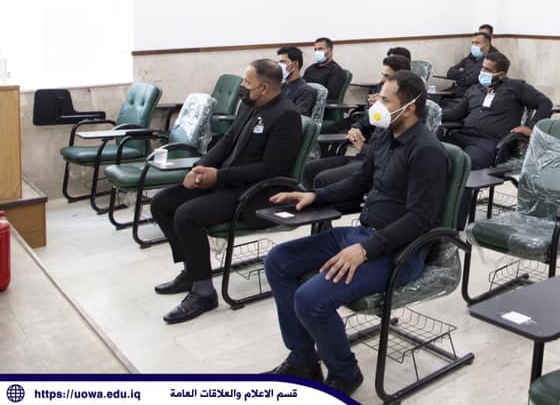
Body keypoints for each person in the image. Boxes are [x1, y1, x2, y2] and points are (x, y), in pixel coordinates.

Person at [262, 71, 447, 395]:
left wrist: (365, 250)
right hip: (362, 234)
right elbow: (358, 181)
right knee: (278, 260)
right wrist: (314, 195)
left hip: (397, 252)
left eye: (385, 100)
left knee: (310, 299)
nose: (376, 104)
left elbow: (420, 219)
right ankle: (303, 360)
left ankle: (345, 374)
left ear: (409, 108)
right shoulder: (384, 136)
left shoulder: (426, 151)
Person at [150, 59, 302, 324]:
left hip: (254, 192)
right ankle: (192, 271)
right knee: (162, 203)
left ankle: (204, 292)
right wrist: (200, 168)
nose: (242, 86)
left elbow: (270, 169)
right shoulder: (249, 104)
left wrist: (218, 176)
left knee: (187, 215)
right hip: (228, 181)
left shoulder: (286, 116)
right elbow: (227, 141)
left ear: (265, 88)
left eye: (247, 82)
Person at [300, 54, 411, 190]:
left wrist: (362, 146)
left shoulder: (404, 114)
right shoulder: (384, 103)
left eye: (387, 76)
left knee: (323, 179)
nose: (382, 80)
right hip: (362, 157)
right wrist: (356, 128)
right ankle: (310, 201)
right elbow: (365, 119)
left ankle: (321, 202)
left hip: (376, 164)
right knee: (309, 169)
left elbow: (390, 155)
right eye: (382, 75)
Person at [442, 51, 552, 170]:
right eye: (482, 67)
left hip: (487, 142)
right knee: (436, 156)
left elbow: (545, 103)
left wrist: (531, 127)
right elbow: (455, 113)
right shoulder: (475, 89)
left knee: (463, 164)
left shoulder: (515, 87)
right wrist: (430, 112)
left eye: (488, 70)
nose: (482, 71)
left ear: (501, 75)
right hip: (462, 136)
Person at [445, 32, 492, 98]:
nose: (473, 46)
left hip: (474, 95)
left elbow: (471, 80)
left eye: (477, 43)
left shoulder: (490, 61)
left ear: (486, 46)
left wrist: (460, 75)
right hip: (458, 92)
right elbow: (450, 73)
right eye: (472, 43)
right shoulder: (468, 59)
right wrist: (466, 74)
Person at [303, 37, 347, 102]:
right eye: (315, 50)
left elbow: (330, 96)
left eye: (320, 49)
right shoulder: (311, 68)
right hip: (303, 101)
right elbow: (301, 86)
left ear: (330, 50)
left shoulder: (336, 71)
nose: (317, 52)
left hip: (319, 105)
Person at [277, 46, 316, 116]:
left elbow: (298, 117)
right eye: (278, 62)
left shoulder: (305, 91)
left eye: (283, 62)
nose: (279, 66)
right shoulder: (281, 86)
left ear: (295, 64)